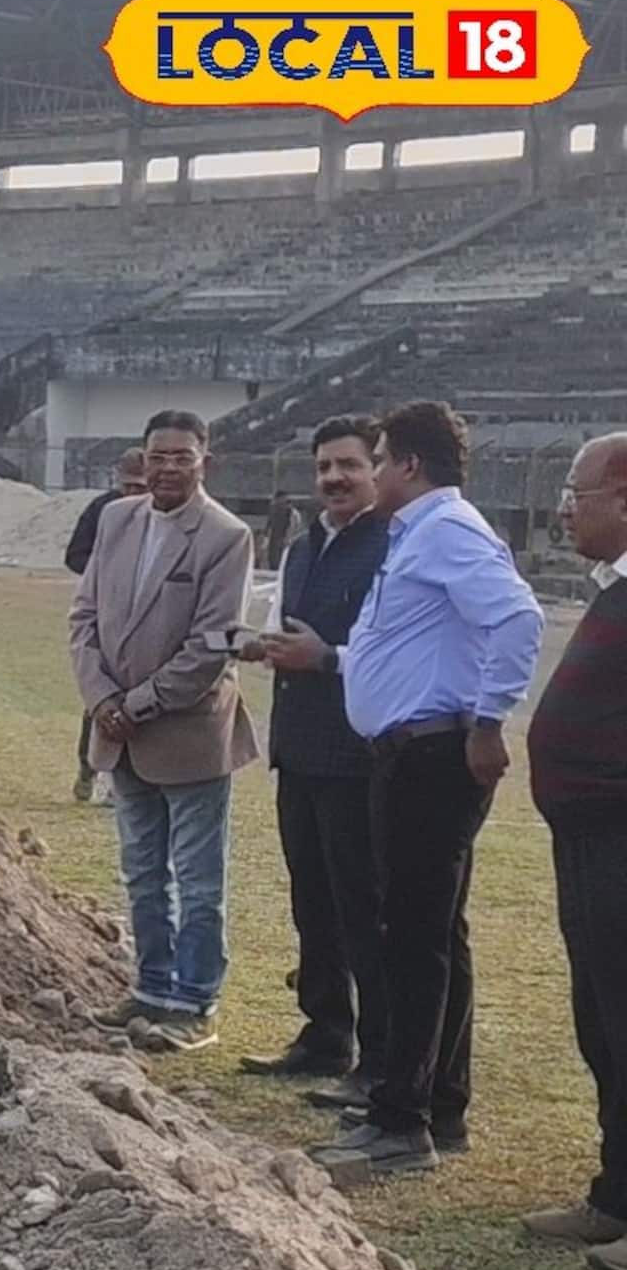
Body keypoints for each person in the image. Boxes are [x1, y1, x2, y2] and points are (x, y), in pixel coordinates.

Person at [303, 400, 543, 1177]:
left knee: (411, 939)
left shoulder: (446, 529)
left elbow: (518, 617)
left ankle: (401, 1121)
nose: (369, 472)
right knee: (435, 933)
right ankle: (440, 1100)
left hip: (432, 756)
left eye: (375, 459)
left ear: (407, 463)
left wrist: (488, 721)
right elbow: (409, 645)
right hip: (412, 753)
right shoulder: (418, 533)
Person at [70, 410, 257, 1053]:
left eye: (182, 456)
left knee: (200, 880)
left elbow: (212, 646)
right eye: (158, 456)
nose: (168, 467)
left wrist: (138, 704)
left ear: (206, 461)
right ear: (141, 460)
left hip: (188, 733)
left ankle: (196, 1001)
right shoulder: (117, 520)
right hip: (119, 731)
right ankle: (151, 988)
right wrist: (101, 698)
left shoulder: (226, 536)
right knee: (142, 873)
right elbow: (84, 617)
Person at [239, 416, 388, 1083]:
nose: (334, 477)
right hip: (297, 750)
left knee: (364, 907)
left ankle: (382, 1054)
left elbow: (395, 651)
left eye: (348, 465)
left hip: (358, 755)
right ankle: (325, 1035)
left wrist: (328, 658)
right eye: (325, 466)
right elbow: (286, 629)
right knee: (313, 903)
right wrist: (264, 646)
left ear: (377, 469)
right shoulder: (302, 546)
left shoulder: (394, 546)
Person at [520, 433, 627, 1270]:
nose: (564, 508)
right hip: (589, 838)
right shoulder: (613, 589)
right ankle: (616, 1194)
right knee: (605, 1023)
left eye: (576, 491)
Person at [67, 449, 151, 803]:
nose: (133, 494)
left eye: (140, 488)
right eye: (127, 486)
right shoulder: (103, 511)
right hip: (108, 615)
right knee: (101, 697)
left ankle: (124, 782)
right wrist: (106, 572)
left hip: (150, 620)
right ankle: (88, 768)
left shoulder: (167, 517)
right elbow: (74, 555)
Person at [266, 491, 301, 571]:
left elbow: (293, 526)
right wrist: (266, 536)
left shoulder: (291, 512)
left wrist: (288, 537)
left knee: (284, 557)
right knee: (273, 557)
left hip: (286, 538)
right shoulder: (274, 509)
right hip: (274, 537)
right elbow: (269, 523)